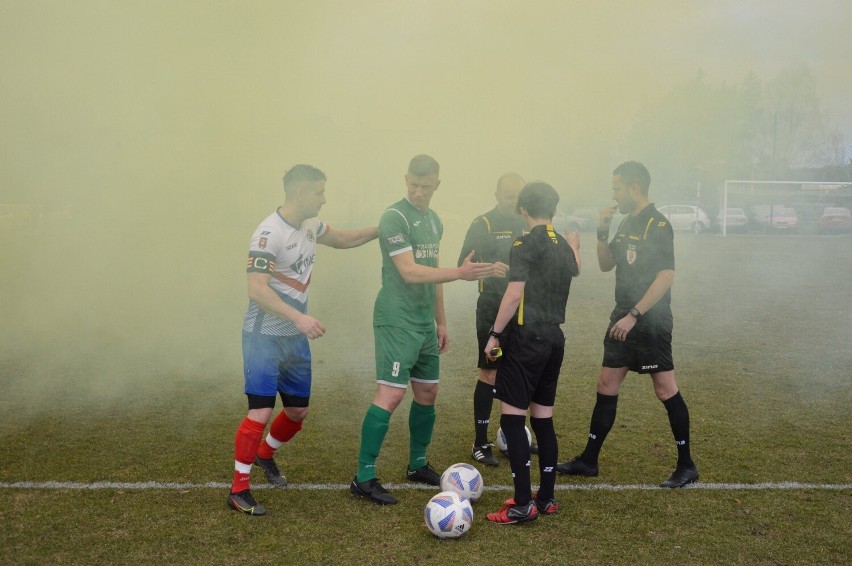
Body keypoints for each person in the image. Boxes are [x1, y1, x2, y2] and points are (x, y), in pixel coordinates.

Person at [228, 164, 379, 516]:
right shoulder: (268, 233)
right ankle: (238, 489)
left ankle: (266, 455)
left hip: (295, 338)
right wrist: (299, 317)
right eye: (319, 192)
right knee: (261, 410)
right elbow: (256, 289)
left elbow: (341, 238)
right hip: (263, 336)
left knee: (297, 412)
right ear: (299, 193)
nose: (324, 199)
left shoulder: (310, 225)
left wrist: (380, 231)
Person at [350, 154, 495, 505]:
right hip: (396, 320)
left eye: (425, 186)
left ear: (437, 185)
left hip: (423, 324)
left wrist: (441, 321)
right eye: (413, 184)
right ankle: (364, 476)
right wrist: (459, 273)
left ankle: (417, 465)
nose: (418, 191)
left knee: (427, 393)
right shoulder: (394, 217)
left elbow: (433, 271)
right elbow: (411, 272)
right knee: (392, 395)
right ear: (406, 179)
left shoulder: (434, 221)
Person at [556, 161, 699, 488]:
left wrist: (634, 314)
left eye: (617, 188)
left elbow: (667, 276)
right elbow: (607, 265)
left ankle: (687, 465)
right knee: (606, 384)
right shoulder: (628, 222)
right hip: (623, 315)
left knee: (665, 389)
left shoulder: (658, 225)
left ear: (634, 188)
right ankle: (589, 461)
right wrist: (603, 230)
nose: (614, 194)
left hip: (649, 321)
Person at [483, 181, 581, 524]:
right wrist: (576, 247)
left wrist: (494, 335)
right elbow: (575, 268)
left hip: (527, 340)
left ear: (523, 209)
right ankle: (547, 498)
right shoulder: (564, 247)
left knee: (512, 420)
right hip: (555, 340)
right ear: (552, 209)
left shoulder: (524, 243)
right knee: (542, 420)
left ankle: (523, 504)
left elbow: (513, 295)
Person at [457, 173, 527, 467]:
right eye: (509, 195)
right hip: (491, 312)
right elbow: (463, 265)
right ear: (497, 195)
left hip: (523, 312)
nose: (514, 200)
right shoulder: (483, 224)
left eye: (518, 195)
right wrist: (488, 268)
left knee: (520, 373)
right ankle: (480, 442)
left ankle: (513, 436)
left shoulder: (528, 223)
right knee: (491, 371)